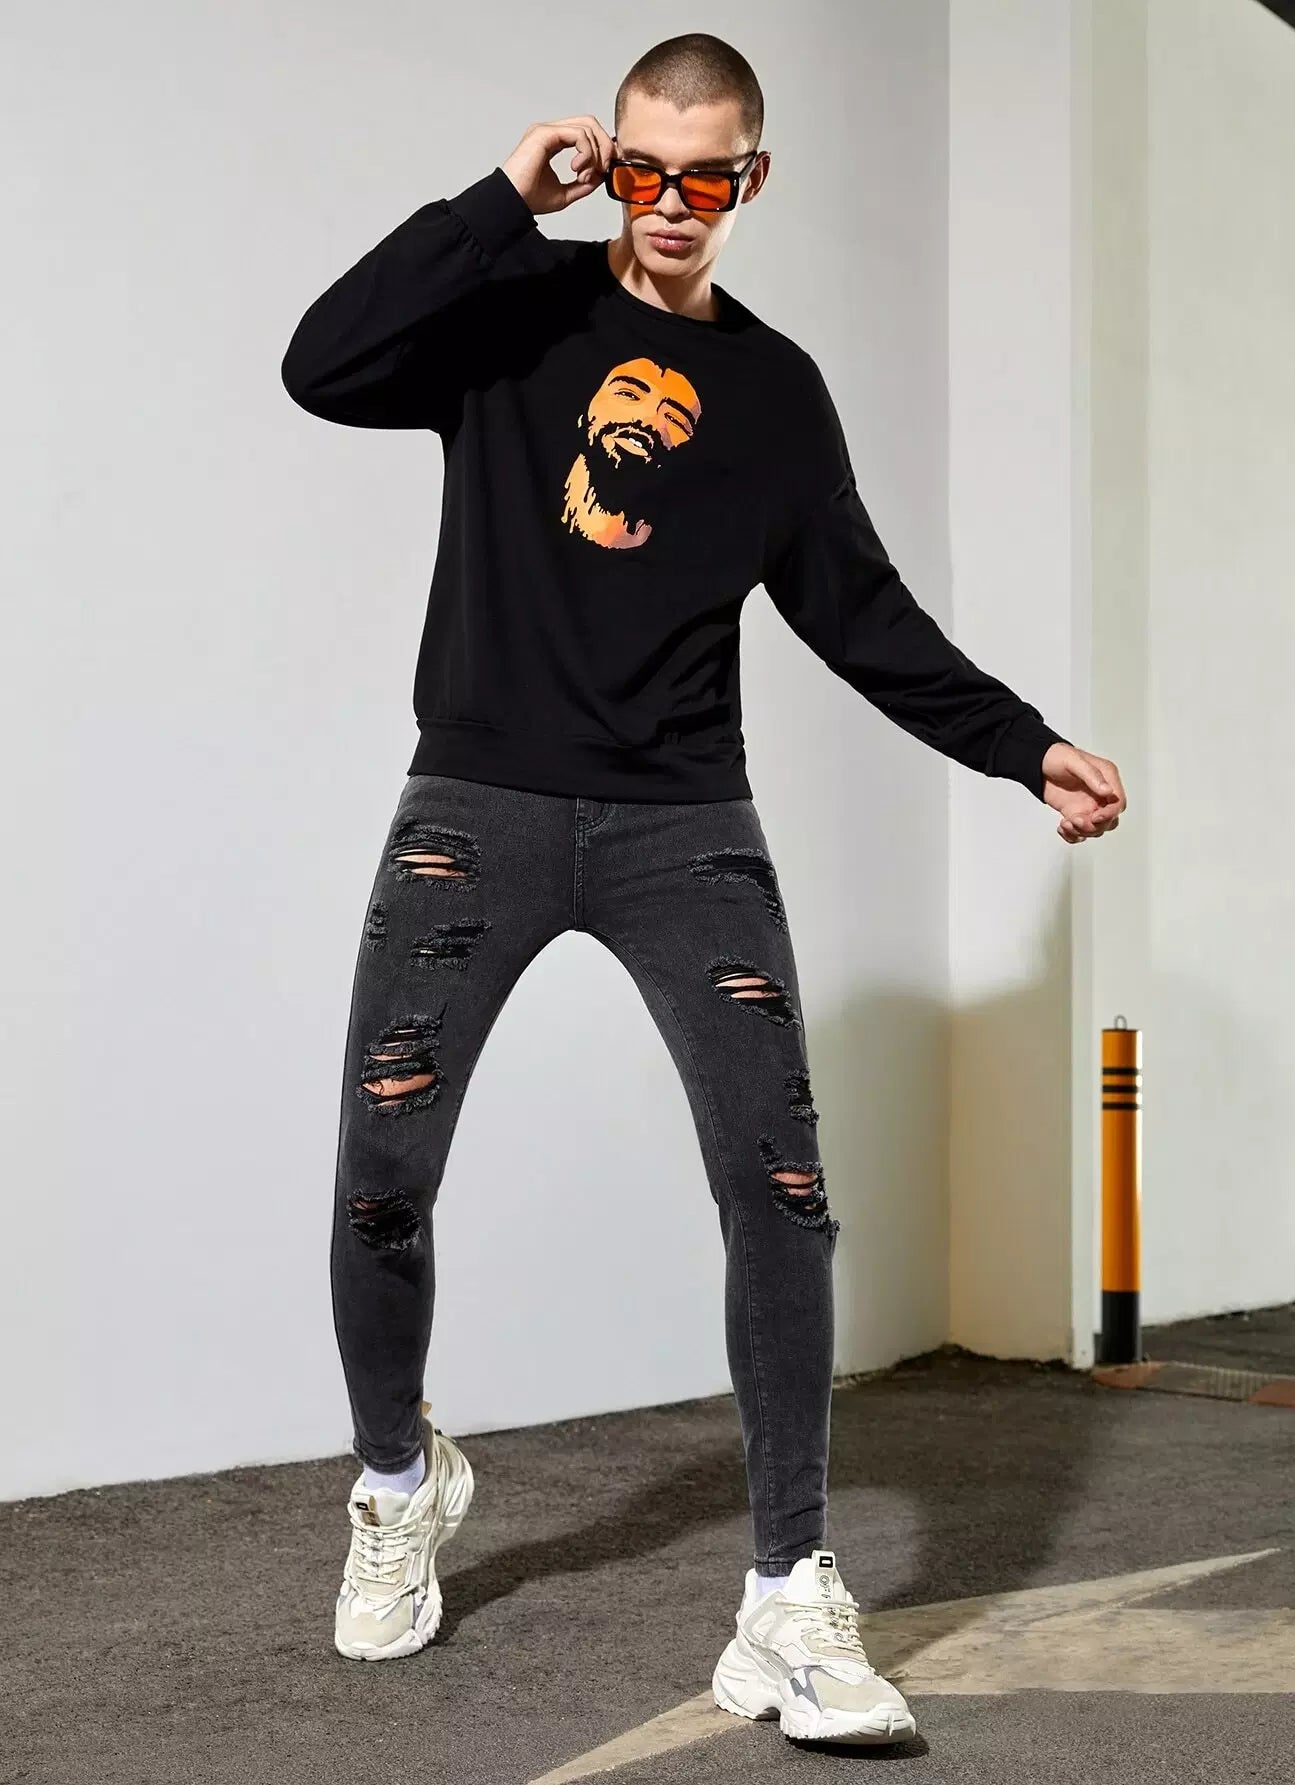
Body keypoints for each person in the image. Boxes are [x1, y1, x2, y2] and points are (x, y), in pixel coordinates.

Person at [280, 30, 1125, 1746]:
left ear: (753, 178)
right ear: (612, 164)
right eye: (644, 171)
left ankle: (788, 1595)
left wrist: (1021, 743)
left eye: (707, 177)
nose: (672, 205)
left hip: (685, 822)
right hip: (478, 799)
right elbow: (322, 363)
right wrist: (499, 202)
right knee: (382, 1175)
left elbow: (862, 613)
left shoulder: (776, 393)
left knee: (781, 1189)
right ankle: (396, 1479)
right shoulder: (514, 309)